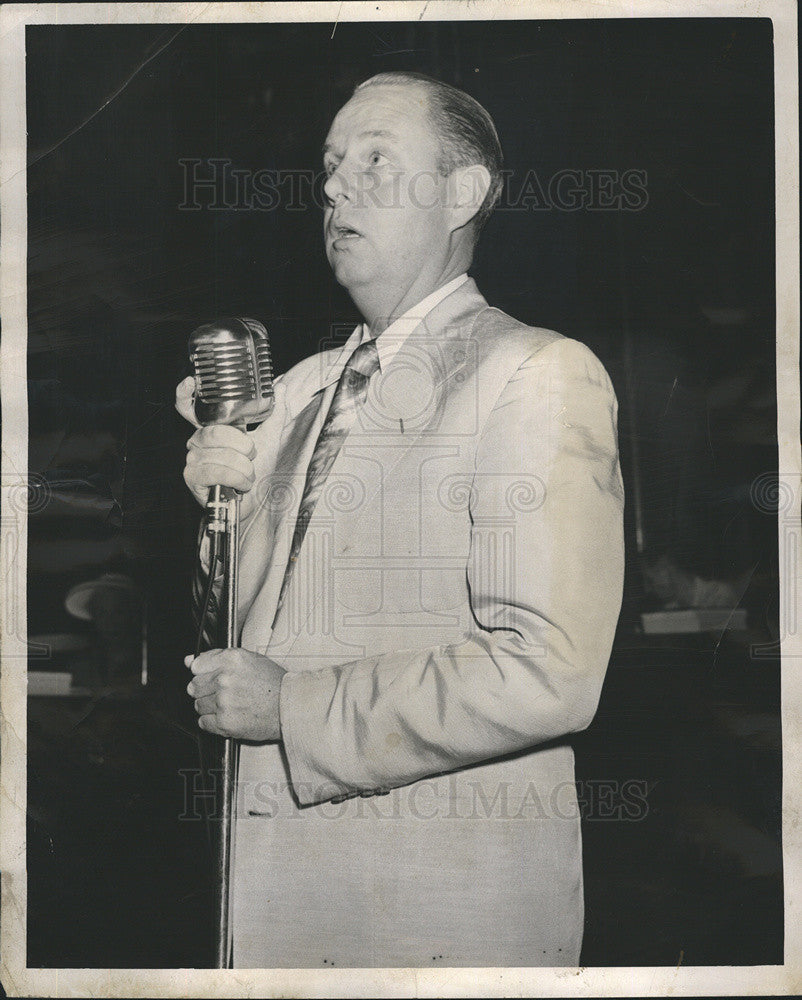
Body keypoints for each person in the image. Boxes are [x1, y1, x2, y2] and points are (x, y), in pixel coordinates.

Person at [176, 70, 625, 968]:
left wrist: (293, 708)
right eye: (333, 165)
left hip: (437, 929)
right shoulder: (297, 391)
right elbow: (241, 647)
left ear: (464, 193)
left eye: (376, 160)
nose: (336, 185)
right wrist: (218, 514)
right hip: (274, 915)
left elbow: (550, 671)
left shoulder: (536, 373)